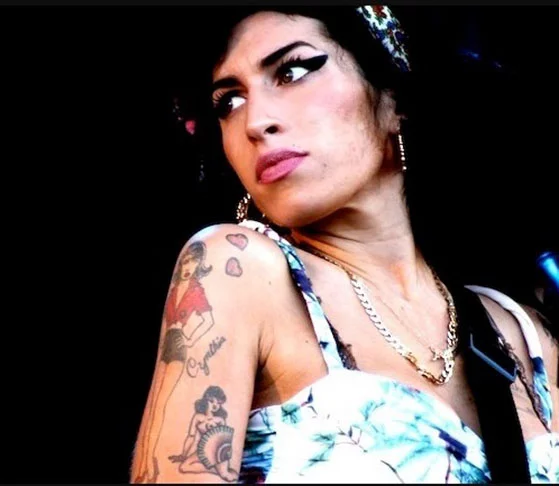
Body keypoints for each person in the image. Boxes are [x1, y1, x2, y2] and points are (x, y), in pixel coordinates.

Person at [131, 6, 558, 483]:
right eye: (229, 102)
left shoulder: (523, 335)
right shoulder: (236, 269)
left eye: (292, 72)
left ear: (393, 99)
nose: (255, 121)